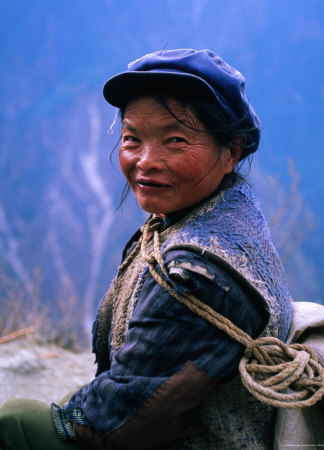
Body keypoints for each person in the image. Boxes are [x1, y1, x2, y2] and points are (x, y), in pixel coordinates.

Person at [0, 49, 293, 449]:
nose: (146, 161)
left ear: (232, 152)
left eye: (175, 140)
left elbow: (121, 421)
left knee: (13, 420)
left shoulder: (200, 275)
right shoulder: (224, 210)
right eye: (132, 139)